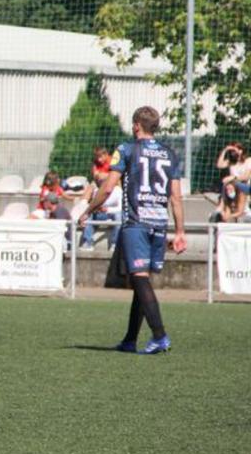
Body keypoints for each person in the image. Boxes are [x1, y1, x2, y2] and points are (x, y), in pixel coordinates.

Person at [78, 106, 186, 355]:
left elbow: (106, 189)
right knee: (142, 280)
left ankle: (159, 336)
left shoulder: (126, 149)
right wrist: (180, 231)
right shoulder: (169, 153)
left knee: (138, 278)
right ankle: (129, 340)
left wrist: (87, 211)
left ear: (137, 125)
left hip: (136, 223)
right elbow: (177, 197)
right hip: (159, 223)